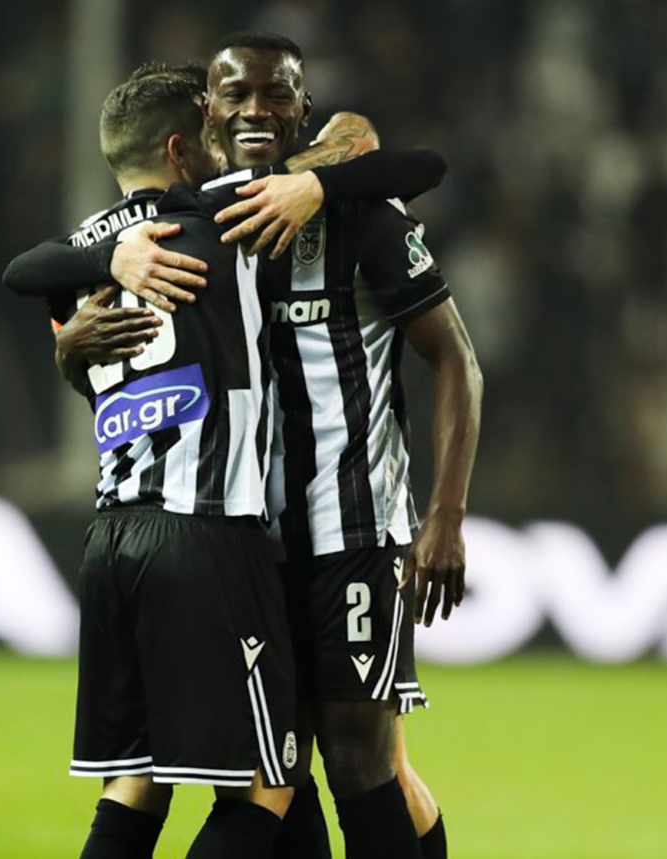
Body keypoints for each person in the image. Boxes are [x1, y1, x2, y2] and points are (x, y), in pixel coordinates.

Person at [1, 63, 446, 859]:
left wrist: (105, 265)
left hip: (110, 539)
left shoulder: (80, 255)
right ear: (183, 149)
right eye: (213, 128)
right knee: (272, 780)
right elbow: (410, 164)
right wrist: (316, 183)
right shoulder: (221, 215)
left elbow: (22, 271)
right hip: (207, 536)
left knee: (135, 784)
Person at [202, 32, 483, 859]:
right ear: (209, 114)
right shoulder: (196, 220)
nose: (256, 110)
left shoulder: (364, 215)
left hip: (353, 530)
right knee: (271, 769)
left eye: (276, 95)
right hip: (247, 541)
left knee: (360, 762)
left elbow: (457, 361)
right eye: (237, 95)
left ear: (302, 111)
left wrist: (445, 516)